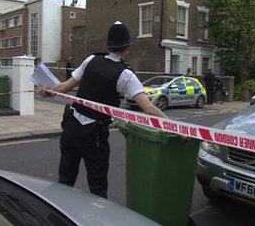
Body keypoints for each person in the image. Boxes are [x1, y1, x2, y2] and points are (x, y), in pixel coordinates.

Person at [39, 21, 167, 198]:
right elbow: (148, 107)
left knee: (65, 181)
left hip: (71, 128)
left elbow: (63, 88)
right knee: (98, 188)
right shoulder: (126, 74)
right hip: (94, 135)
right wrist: (172, 124)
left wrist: (47, 92)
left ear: (108, 46)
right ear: (128, 47)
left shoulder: (91, 60)